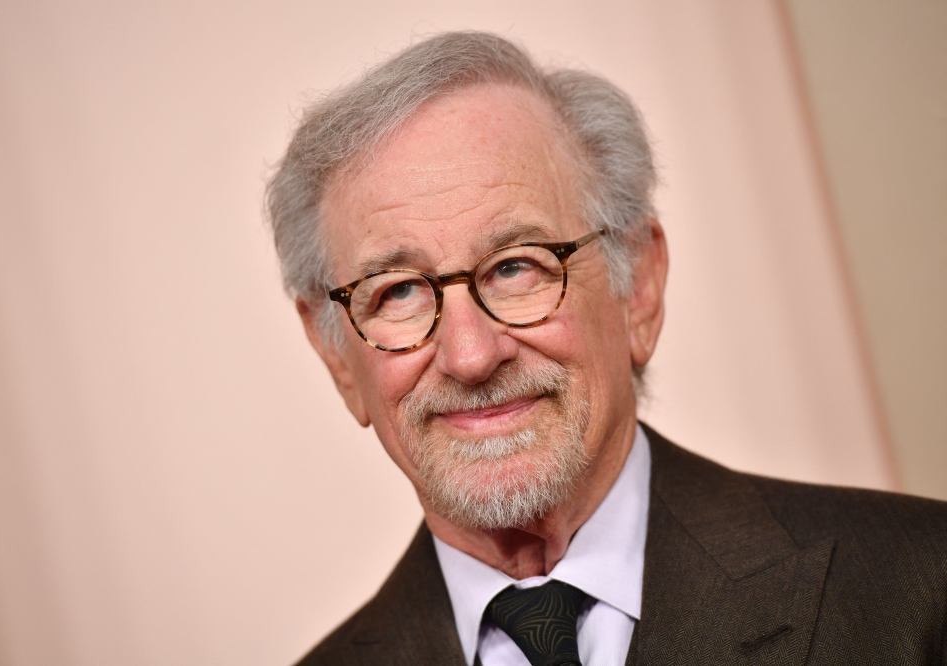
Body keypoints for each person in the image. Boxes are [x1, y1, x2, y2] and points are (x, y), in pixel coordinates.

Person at [266, 31, 946, 666]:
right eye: (399, 292)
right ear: (336, 359)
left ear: (640, 289)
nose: (471, 356)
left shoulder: (917, 590)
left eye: (515, 266)